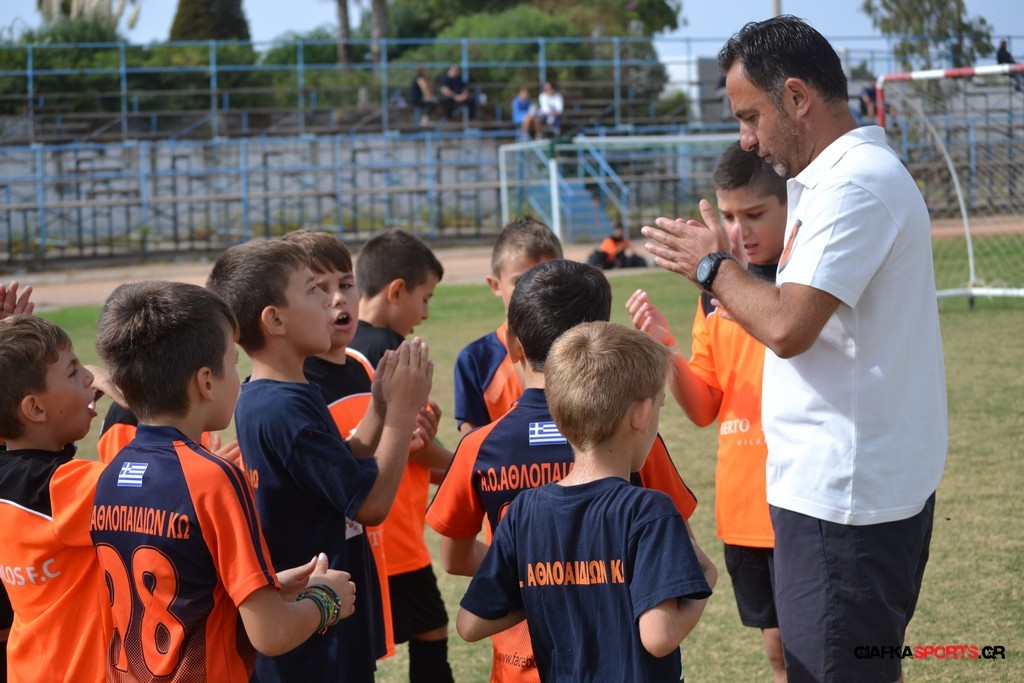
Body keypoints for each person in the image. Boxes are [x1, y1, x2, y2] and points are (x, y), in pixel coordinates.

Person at [641, 16, 946, 682]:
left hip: (844, 505)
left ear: (798, 97)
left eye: (750, 116)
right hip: (846, 496)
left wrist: (710, 266)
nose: (745, 138)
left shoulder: (854, 184)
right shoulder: (842, 180)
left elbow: (788, 326)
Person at [427, 259, 701, 682]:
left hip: (523, 664)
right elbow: (675, 563)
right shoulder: (637, 448)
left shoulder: (481, 448)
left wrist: (544, 573)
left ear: (513, 344)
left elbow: (457, 563)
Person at [91, 281, 357, 682]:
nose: (239, 377)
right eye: (233, 363)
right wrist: (326, 599)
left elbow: (180, 596)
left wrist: (270, 587)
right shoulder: (212, 477)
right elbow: (271, 633)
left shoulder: (111, 474)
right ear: (206, 382)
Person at [207, 240, 433, 682]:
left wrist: (380, 408)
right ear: (275, 321)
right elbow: (369, 504)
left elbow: (337, 470)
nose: (331, 301)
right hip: (312, 632)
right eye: (312, 290)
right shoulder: (283, 409)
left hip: (322, 616)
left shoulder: (273, 394)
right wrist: (403, 414)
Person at [627, 142, 788, 682]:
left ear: (789, 205)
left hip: (800, 500)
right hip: (744, 509)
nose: (740, 231)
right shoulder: (710, 293)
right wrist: (665, 347)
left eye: (755, 214)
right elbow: (704, 408)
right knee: (779, 650)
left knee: (824, 647)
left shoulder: (800, 285)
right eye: (729, 217)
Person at [350, 229, 455, 683]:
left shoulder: (340, 350)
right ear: (396, 290)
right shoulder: (392, 355)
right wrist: (463, 466)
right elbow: (415, 448)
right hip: (392, 535)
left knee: (366, 643)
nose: (426, 313)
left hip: (362, 529)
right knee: (431, 627)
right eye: (424, 298)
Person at [0, 314, 110, 683]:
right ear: (34, 409)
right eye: (73, 372)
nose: (90, 377)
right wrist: (128, 393)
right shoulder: (63, 487)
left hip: (27, 670)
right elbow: (158, 481)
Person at [453, 217, 563, 435]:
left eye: (548, 279)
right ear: (495, 285)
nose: (535, 291)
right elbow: (473, 443)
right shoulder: (476, 360)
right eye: (521, 281)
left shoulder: (580, 347)